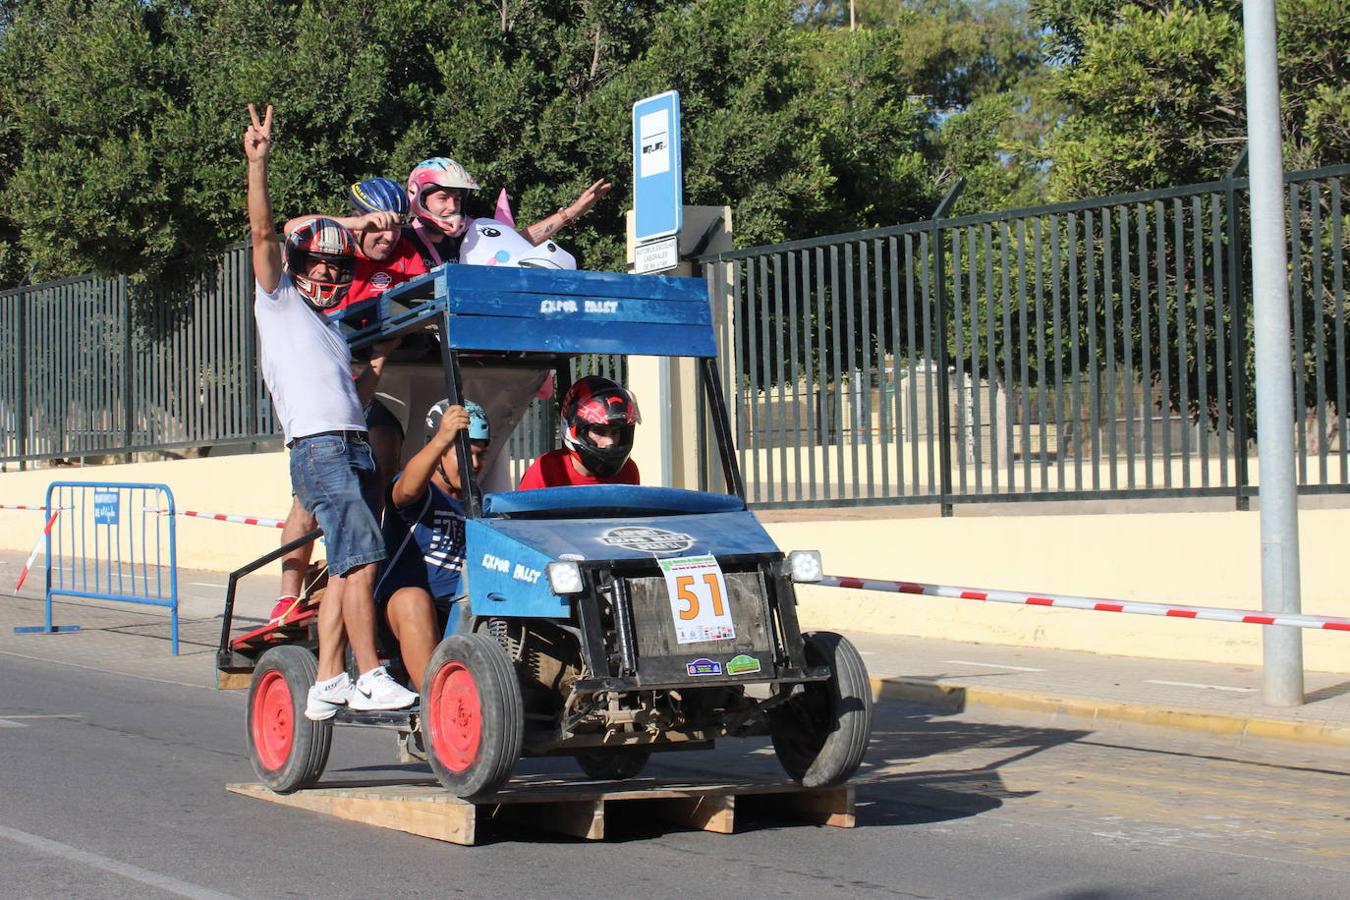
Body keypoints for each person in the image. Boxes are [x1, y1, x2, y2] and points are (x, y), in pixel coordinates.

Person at [244, 103, 417, 717]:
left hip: (348, 439)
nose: (326, 271)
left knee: (348, 564)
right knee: (363, 555)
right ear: (296, 266)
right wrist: (257, 165)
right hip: (319, 447)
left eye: (339, 265)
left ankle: (324, 681)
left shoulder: (330, 330)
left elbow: (355, 397)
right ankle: (369, 673)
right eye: (317, 261)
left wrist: (378, 362)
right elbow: (268, 234)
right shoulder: (281, 302)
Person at [269, 177, 416, 627]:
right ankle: (287, 595)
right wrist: (358, 223)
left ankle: (363, 566)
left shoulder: (410, 255)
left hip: (371, 384)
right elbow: (290, 228)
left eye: (395, 227)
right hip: (322, 391)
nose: (387, 236)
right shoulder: (335, 248)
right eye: (378, 227)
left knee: (382, 460)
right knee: (306, 500)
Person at [374, 399, 489, 692]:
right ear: (438, 453)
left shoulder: (475, 505)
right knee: (414, 600)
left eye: (480, 455)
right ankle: (436, 702)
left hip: (458, 611)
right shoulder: (419, 493)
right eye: (465, 455)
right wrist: (442, 438)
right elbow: (406, 490)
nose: (474, 465)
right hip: (399, 611)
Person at [404, 157, 611, 269]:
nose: (451, 206)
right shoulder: (404, 241)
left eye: (457, 199)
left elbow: (516, 243)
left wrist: (571, 213)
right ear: (419, 198)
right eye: (443, 198)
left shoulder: (465, 235)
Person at [518, 375, 641, 489]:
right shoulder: (545, 470)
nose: (610, 442)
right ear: (575, 431)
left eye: (615, 432)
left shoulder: (628, 471)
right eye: (600, 431)